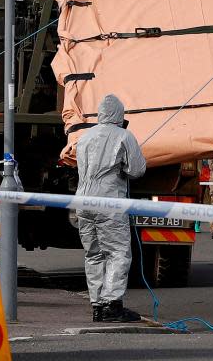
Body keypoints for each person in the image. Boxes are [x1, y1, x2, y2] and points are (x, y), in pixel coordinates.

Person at [75, 94, 147, 323]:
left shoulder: (84, 137)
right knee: (117, 253)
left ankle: (97, 305)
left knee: (93, 254)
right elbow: (136, 170)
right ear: (120, 115)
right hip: (109, 203)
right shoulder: (124, 136)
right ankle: (112, 305)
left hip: (82, 202)